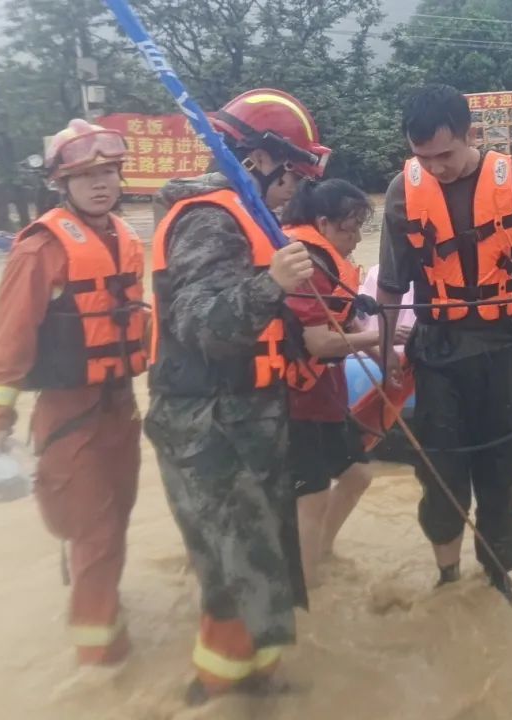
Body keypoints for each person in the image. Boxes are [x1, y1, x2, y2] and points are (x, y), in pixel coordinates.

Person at [144, 88, 325, 705]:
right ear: (256, 160)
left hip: (247, 421)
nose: (294, 188)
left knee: (258, 561)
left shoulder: (249, 216)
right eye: (292, 172)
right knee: (231, 571)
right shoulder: (209, 220)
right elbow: (199, 324)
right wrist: (272, 284)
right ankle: (218, 693)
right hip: (209, 427)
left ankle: (261, 682)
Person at [375, 84, 512, 600]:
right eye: (423, 157)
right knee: (440, 473)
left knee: (502, 472)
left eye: (446, 154)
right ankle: (448, 577)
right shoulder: (401, 191)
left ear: (469, 134)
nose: (436, 167)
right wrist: (387, 351)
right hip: (437, 352)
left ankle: (498, 577)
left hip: (501, 348)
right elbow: (390, 285)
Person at [0, 119, 147, 666]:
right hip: (67, 413)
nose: (100, 184)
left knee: (116, 519)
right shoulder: (39, 249)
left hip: (121, 407)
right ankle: (101, 664)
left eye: (108, 172)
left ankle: (95, 600)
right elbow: (10, 338)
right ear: (62, 183)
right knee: (97, 531)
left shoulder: (125, 238)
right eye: (85, 175)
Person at [281, 179, 381, 588]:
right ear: (322, 223)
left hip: (327, 394)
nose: (356, 239)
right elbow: (319, 342)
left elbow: (346, 318)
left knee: (357, 475)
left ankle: (320, 552)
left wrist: (385, 358)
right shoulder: (304, 266)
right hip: (295, 401)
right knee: (312, 495)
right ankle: (307, 592)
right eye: (350, 229)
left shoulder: (329, 264)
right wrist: (377, 339)